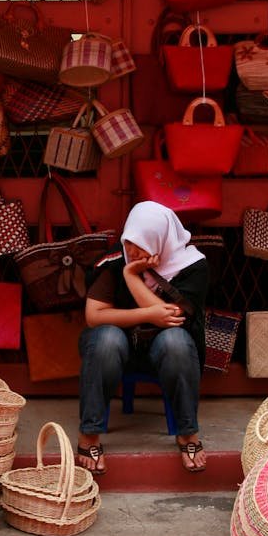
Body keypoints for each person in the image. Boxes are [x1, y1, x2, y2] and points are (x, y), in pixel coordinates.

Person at [77, 200, 209, 475]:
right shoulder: (115, 261)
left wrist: (134, 279)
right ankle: (89, 434)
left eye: (142, 244)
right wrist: (130, 278)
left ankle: (187, 433)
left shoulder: (193, 267)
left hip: (169, 354)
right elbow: (94, 315)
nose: (133, 251)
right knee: (106, 339)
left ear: (160, 239)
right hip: (117, 353)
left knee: (175, 340)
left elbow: (172, 316)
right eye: (129, 243)